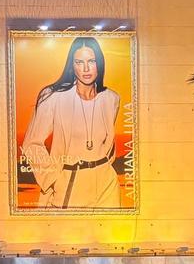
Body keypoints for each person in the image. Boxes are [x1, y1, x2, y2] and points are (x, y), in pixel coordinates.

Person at [20, 36, 122, 210]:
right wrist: (53, 179)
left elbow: (108, 145)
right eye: (79, 62)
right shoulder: (52, 96)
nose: (86, 68)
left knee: (110, 236)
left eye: (91, 61)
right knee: (66, 235)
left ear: (100, 63)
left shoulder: (111, 98)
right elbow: (32, 144)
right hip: (70, 181)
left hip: (107, 183)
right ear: (72, 65)